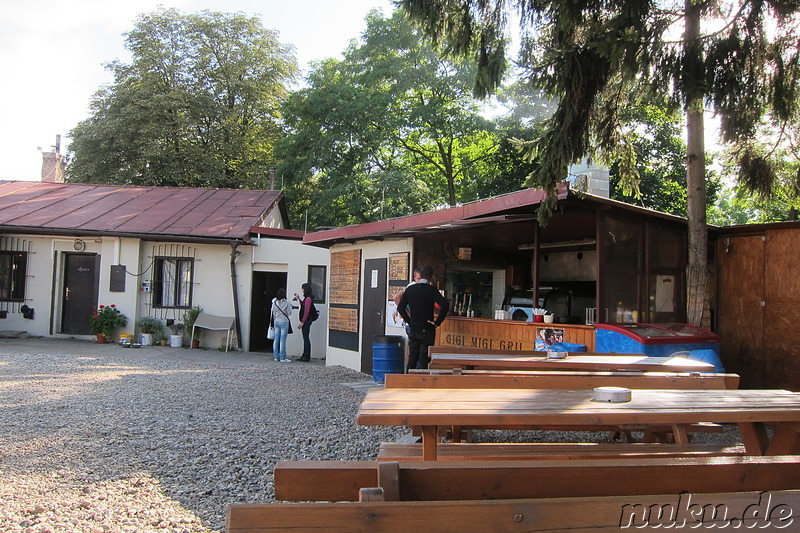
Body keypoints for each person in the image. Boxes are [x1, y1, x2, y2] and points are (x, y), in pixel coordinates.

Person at [398, 265, 449, 371]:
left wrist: (409, 321)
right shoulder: (431, 290)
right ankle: (422, 382)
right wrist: (437, 322)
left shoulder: (410, 289)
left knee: (412, 357)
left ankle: (408, 381)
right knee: (424, 358)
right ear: (432, 277)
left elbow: (400, 308)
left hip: (414, 327)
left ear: (420, 276)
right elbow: (445, 305)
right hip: (427, 327)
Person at [293, 283, 315, 362]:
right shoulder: (307, 298)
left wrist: (302, 322)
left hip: (307, 321)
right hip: (307, 321)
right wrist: (298, 298)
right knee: (305, 338)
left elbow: (306, 311)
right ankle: (305, 355)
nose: (302, 290)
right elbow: (303, 305)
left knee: (306, 338)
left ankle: (306, 356)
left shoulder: (308, 299)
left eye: (302, 288)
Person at [271, 289, 292, 363]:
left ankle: (276, 357)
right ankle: (283, 357)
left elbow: (273, 312)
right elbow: (290, 312)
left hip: (276, 322)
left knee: (276, 340)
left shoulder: (274, 302)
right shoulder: (286, 302)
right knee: (282, 341)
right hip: (284, 322)